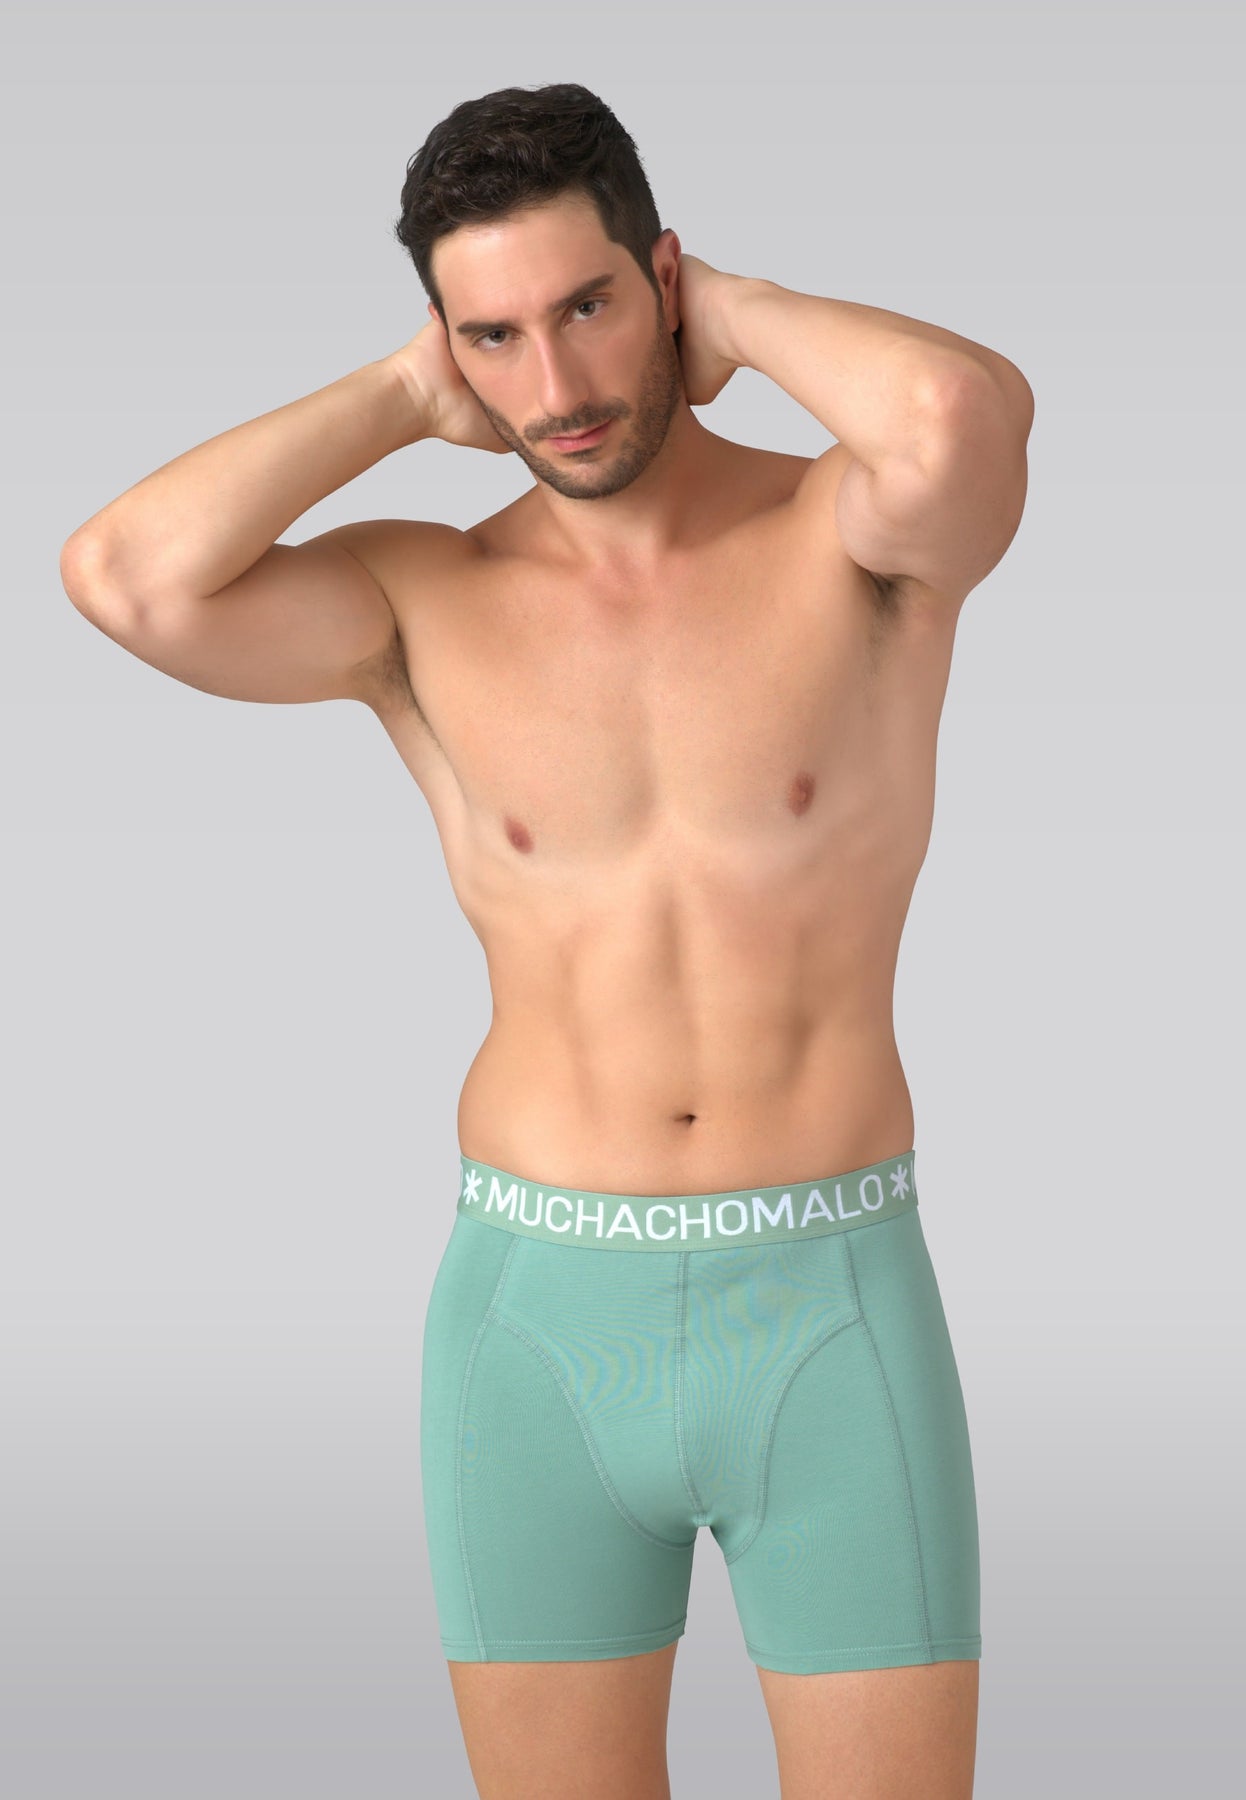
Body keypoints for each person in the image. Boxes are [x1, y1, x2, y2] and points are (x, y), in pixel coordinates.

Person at [60, 80, 1032, 1800]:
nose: (557, 387)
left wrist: (731, 311)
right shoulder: (420, 596)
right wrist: (394, 394)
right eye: (494, 337)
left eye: (588, 307)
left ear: (659, 276)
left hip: (828, 1298)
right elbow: (128, 577)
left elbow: (958, 412)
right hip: (534, 1316)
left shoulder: (850, 542)